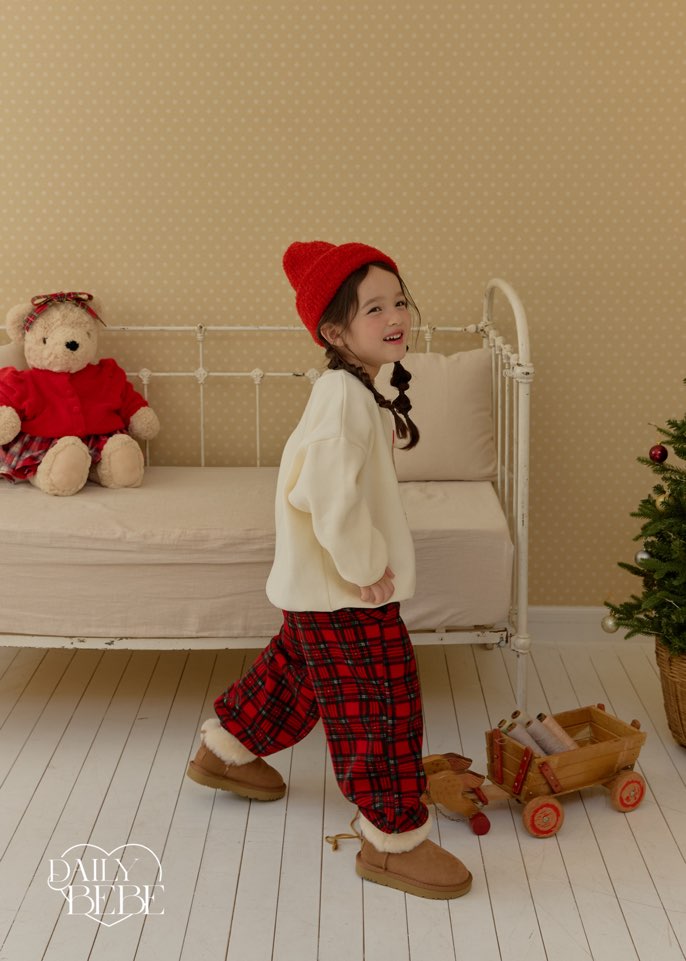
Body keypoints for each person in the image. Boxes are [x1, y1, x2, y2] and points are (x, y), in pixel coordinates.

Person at [187, 241, 472, 900]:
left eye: (399, 301)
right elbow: (326, 492)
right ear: (335, 332)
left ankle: (226, 750)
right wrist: (364, 564)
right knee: (382, 702)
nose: (395, 316)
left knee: (298, 672)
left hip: (319, 590)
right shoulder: (342, 398)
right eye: (374, 308)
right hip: (345, 590)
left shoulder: (356, 390)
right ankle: (392, 841)